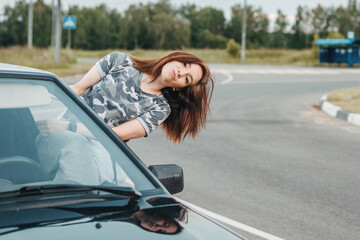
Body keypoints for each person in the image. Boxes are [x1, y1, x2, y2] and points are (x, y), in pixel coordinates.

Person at [69, 51, 214, 143]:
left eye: (187, 79)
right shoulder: (119, 61)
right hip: (66, 121)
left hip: (93, 144)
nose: (181, 72)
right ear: (174, 58)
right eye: (184, 64)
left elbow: (115, 135)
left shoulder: (160, 109)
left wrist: (70, 128)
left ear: (178, 88)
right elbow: (77, 89)